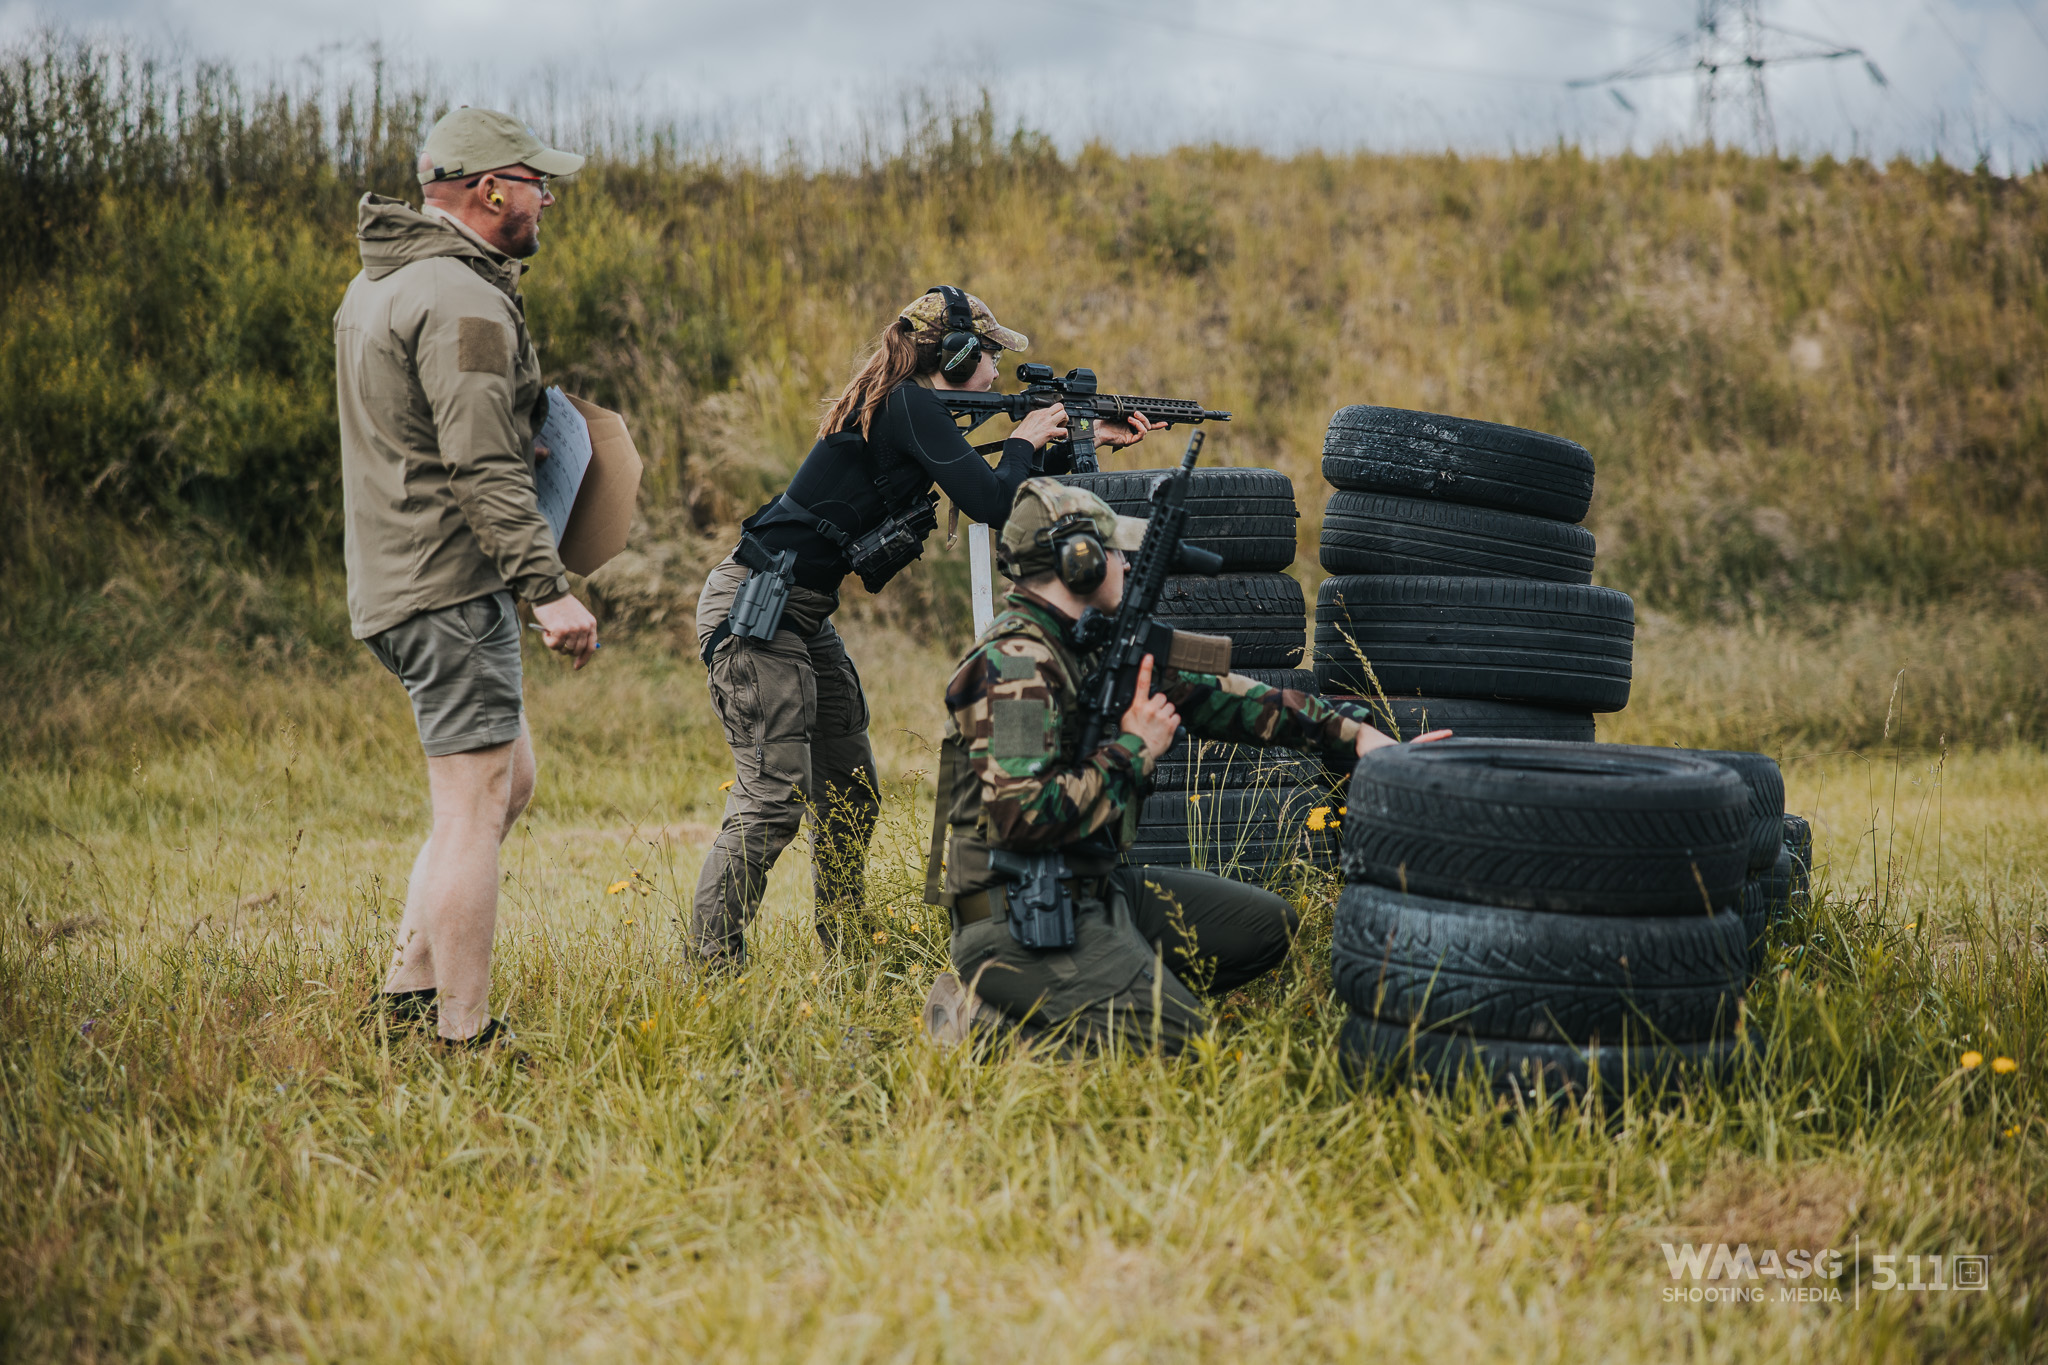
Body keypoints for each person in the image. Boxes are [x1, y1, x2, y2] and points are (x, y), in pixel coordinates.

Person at [691, 288, 1157, 965]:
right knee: (772, 798)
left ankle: (850, 950)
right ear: (957, 353)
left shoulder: (912, 408)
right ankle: (710, 965)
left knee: (851, 789)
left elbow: (986, 480)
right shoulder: (909, 403)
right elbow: (995, 502)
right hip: (758, 610)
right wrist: (1028, 437)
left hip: (802, 611)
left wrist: (1084, 440)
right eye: (989, 355)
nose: (996, 373)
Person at [921, 479, 1445, 1054]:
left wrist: (1359, 737)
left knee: (1266, 927)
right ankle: (987, 1036)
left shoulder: (1091, 647)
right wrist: (1133, 748)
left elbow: (1229, 698)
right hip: (1015, 918)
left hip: (1094, 890)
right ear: (1081, 564)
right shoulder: (1014, 666)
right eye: (1114, 551)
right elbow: (1023, 816)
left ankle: (1082, 1006)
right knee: (1192, 1051)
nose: (1125, 562)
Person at [335, 106, 597, 1050]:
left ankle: (409, 987)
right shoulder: (465, 302)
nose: (548, 198)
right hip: (447, 584)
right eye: (537, 183)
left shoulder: (380, 286)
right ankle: (460, 1035)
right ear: (491, 191)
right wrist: (549, 587)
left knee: (506, 778)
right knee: (475, 803)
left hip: (396, 578)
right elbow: (482, 467)